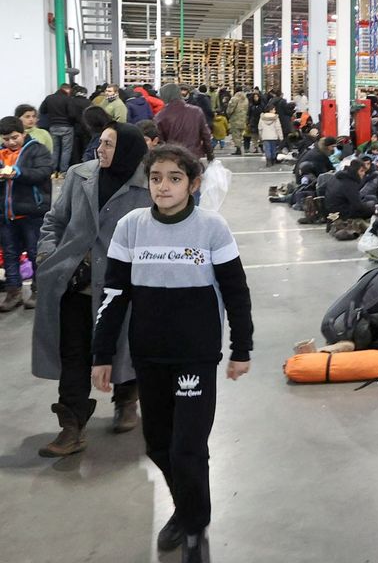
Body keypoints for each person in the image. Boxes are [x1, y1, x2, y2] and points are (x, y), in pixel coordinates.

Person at [91, 143, 253, 563]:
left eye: (174, 178)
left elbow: (236, 293)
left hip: (195, 356)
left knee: (188, 448)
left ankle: (195, 528)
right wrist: (102, 354)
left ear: (193, 184)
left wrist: (241, 348)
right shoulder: (131, 227)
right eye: (156, 178)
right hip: (149, 355)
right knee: (158, 445)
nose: (163, 186)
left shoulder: (212, 229)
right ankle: (185, 508)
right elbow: (113, 295)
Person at [32, 122, 151, 456]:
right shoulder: (79, 175)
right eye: (100, 142)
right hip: (74, 283)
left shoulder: (147, 186)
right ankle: (72, 425)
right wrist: (47, 255)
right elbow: (54, 221)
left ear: (127, 148)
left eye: (109, 144)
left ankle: (126, 397)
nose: (101, 149)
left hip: (121, 287)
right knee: (74, 353)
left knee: (124, 346)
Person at [0, 116, 53, 311]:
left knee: (35, 253)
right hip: (6, 215)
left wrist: (17, 173)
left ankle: (40, 290)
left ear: (23, 133)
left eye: (14, 137)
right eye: (6, 139)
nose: (11, 142)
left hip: (32, 213)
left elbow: (44, 172)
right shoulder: (1, 153)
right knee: (9, 254)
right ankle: (12, 291)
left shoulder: (37, 149)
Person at [156, 84, 214, 163]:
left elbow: (160, 142)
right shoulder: (196, 111)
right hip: (194, 156)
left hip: (173, 158)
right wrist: (210, 154)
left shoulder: (160, 116)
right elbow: (206, 135)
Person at [39, 83, 80, 176]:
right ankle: (63, 171)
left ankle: (53, 170)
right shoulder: (68, 99)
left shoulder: (49, 98)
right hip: (67, 127)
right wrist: (72, 123)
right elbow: (73, 114)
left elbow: (42, 110)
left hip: (53, 126)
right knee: (66, 150)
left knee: (55, 149)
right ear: (67, 90)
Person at [226, 90, 248, 156]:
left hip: (235, 119)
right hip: (243, 119)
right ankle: (240, 147)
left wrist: (228, 114)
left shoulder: (234, 99)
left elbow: (230, 110)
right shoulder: (246, 99)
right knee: (240, 135)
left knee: (236, 135)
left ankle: (238, 149)